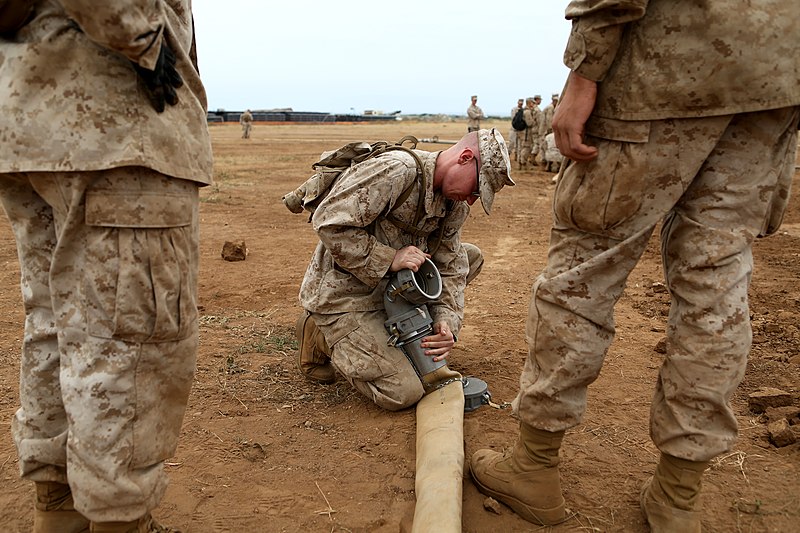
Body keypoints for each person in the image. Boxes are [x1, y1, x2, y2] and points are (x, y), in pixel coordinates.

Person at [469, 1, 800, 530]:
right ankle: (677, 497)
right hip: (776, 76)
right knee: (716, 283)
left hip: (666, 66)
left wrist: (584, 70)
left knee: (585, 267)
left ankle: (533, 465)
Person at [0, 2, 213, 532]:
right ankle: (120, 521)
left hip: (32, 117)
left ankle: (58, 516)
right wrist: (146, 38)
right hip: (116, 126)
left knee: (55, 327)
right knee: (131, 343)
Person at [296, 129, 514, 410]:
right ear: (465, 157)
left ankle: (385, 328)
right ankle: (321, 332)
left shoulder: (454, 204)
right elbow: (329, 222)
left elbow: (451, 265)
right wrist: (389, 258)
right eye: (475, 189)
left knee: (469, 256)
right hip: (346, 294)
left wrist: (446, 320)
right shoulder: (396, 171)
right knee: (403, 392)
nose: (471, 200)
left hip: (396, 289)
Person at [517, 96, 542, 170]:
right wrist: (535, 121)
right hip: (526, 134)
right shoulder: (527, 112)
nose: (533, 104)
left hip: (525, 133)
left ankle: (522, 163)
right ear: (529, 103)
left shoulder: (525, 110)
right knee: (526, 148)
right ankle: (523, 163)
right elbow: (529, 123)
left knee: (524, 148)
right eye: (532, 103)